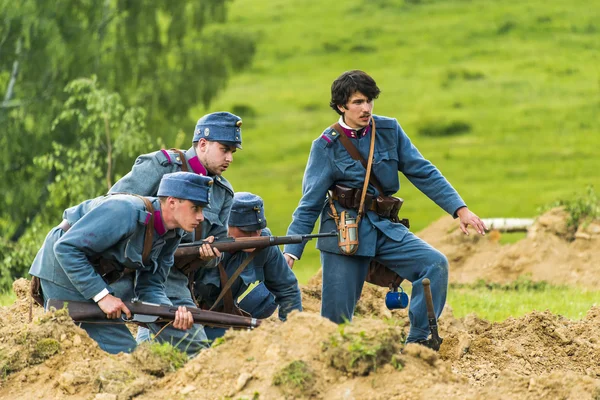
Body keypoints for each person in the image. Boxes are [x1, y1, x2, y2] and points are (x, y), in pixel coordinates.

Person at [283, 70, 487, 347]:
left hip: (384, 228)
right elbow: (309, 203)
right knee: (335, 326)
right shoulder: (325, 146)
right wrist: (292, 251)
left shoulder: (389, 130)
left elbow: (423, 171)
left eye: (369, 101)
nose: (366, 108)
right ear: (341, 105)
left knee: (435, 264)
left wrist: (460, 209)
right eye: (357, 102)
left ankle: (419, 341)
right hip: (344, 236)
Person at [29, 172, 213, 354]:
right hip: (61, 269)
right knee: (125, 353)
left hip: (88, 273)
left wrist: (171, 315)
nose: (201, 217)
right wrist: (102, 296)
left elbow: (150, 287)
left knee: (142, 346)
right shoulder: (126, 210)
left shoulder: (172, 234)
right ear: (172, 202)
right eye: (195, 208)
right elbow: (66, 248)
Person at [110, 111, 241, 355]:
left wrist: (209, 256)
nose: (229, 158)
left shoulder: (223, 192)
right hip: (129, 270)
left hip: (172, 277)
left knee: (194, 347)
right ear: (203, 144)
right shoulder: (161, 165)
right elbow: (113, 208)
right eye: (225, 149)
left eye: (233, 151)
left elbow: (220, 248)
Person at [194, 192, 303, 340]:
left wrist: (292, 332)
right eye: (246, 231)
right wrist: (202, 260)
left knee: (269, 292)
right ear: (227, 223)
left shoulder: (264, 243)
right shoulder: (201, 236)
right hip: (193, 314)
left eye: (257, 229)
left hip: (230, 313)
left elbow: (287, 289)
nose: (254, 237)